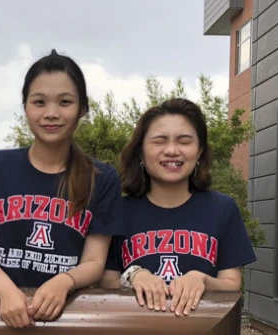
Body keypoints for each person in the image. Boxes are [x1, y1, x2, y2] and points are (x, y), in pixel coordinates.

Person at [0, 50, 123, 328]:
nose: (51, 113)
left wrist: (65, 282)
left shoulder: (102, 178)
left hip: (67, 320)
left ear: (83, 108)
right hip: (0, 315)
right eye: (39, 102)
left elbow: (95, 260)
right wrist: (6, 291)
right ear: (25, 106)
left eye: (65, 102)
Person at [100, 97, 256, 315]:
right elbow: (107, 281)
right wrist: (134, 275)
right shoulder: (118, 211)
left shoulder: (223, 209)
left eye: (184, 141)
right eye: (159, 141)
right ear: (140, 152)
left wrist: (201, 279)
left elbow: (231, 282)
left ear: (199, 151)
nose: (172, 150)